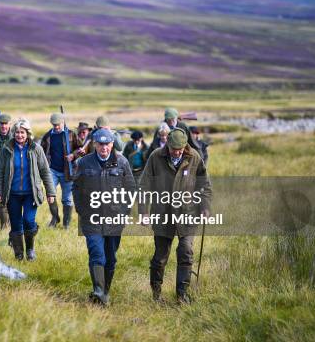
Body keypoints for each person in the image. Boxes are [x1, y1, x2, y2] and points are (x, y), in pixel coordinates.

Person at [139, 128, 212, 304]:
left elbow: (204, 185)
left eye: (180, 149)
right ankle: (156, 295)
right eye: (173, 149)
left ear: (185, 145)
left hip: (188, 213)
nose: (177, 152)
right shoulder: (156, 157)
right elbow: (144, 185)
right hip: (163, 213)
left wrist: (205, 207)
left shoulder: (194, 157)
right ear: (168, 145)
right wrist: (143, 212)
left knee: (186, 252)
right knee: (160, 257)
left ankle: (182, 295)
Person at [73, 129, 137, 305]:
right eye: (100, 144)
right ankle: (99, 293)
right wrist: (81, 210)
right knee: (97, 254)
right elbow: (76, 188)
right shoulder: (85, 162)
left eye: (107, 144)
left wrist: (124, 212)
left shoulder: (122, 162)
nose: (104, 147)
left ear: (112, 144)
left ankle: (105, 290)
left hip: (114, 219)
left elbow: (130, 189)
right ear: (94, 144)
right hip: (91, 219)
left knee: (111, 258)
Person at [0, 119, 56, 261]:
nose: (19, 135)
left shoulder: (36, 149)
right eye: (17, 132)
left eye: (22, 132)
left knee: (28, 220)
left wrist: (50, 192)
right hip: (12, 194)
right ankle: (19, 254)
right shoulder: (6, 150)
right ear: (13, 133)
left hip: (30, 194)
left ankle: (30, 250)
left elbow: (45, 171)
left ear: (28, 133)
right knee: (15, 224)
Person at [40, 113, 80, 228]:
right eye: (54, 125)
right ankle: (55, 218)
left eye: (58, 125)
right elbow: (41, 152)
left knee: (67, 199)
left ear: (62, 123)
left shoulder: (71, 134)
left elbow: (80, 149)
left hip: (68, 171)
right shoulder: (47, 136)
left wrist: (73, 155)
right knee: (50, 195)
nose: (56, 127)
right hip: (52, 170)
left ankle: (66, 224)